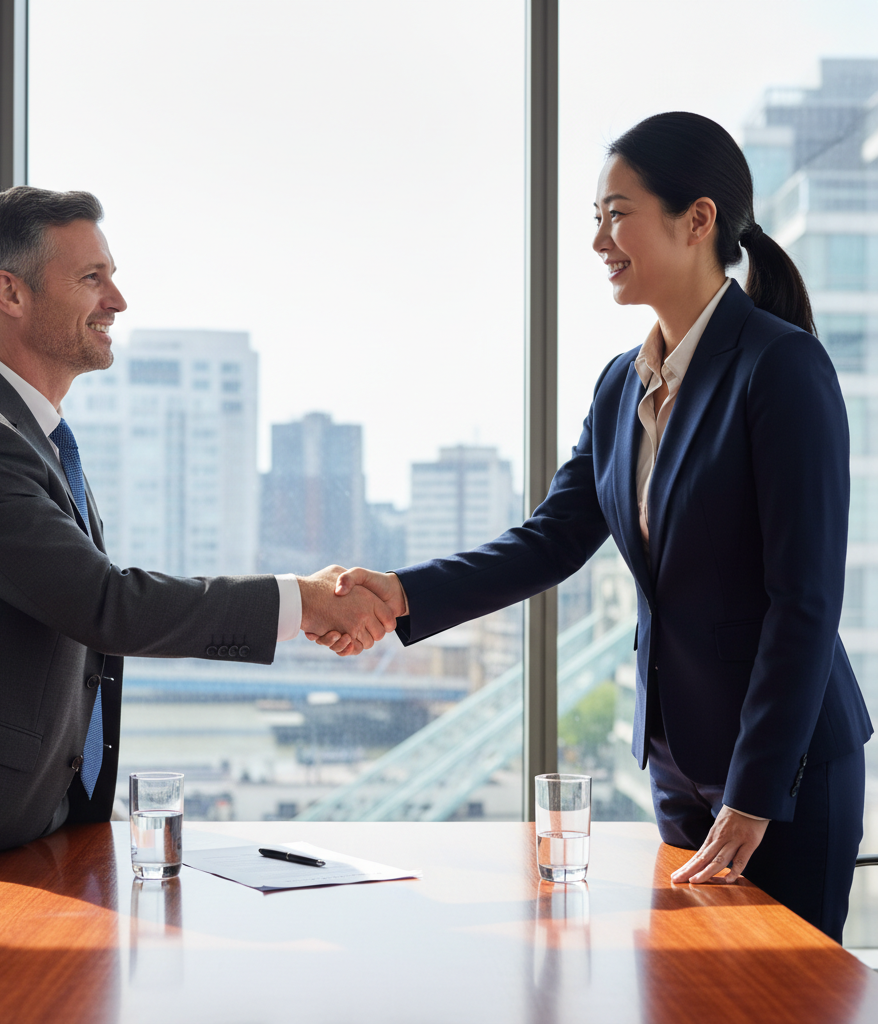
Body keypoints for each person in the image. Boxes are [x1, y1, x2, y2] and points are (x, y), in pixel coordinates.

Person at [313, 112, 873, 943]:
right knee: (686, 994)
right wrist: (400, 594)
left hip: (781, 772)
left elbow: (806, 600)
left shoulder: (780, 367)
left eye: (617, 214)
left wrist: (754, 792)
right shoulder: (622, 386)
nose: (598, 240)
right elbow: (551, 539)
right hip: (679, 770)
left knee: (779, 997)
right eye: (595, 218)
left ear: (698, 219)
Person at [0, 186, 395, 923]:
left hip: (27, 837)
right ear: (9, 293)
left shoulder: (30, 440)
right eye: (91, 278)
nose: (118, 300)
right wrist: (301, 602)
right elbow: (104, 604)